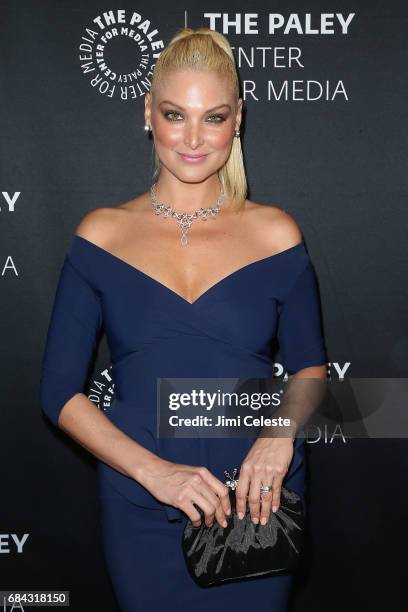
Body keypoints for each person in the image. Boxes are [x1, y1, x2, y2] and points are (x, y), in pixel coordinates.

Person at [39, 27, 328, 612]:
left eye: (214, 117)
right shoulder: (102, 235)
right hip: (142, 499)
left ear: (238, 119)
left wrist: (278, 434)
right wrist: (156, 474)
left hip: (256, 504)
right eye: (176, 114)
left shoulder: (276, 234)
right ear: (149, 113)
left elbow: (311, 369)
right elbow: (58, 392)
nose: (194, 139)